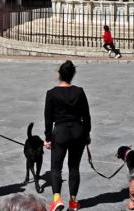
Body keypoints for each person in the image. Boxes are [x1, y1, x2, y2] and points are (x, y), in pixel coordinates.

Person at [44, 60, 91, 211]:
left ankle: (57, 198)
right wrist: (87, 134)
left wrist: (47, 137)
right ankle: (73, 202)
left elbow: (48, 119)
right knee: (74, 167)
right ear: (72, 75)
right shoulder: (79, 91)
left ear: (59, 74)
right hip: (78, 131)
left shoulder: (51, 93)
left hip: (61, 132)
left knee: (56, 167)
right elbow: (87, 116)